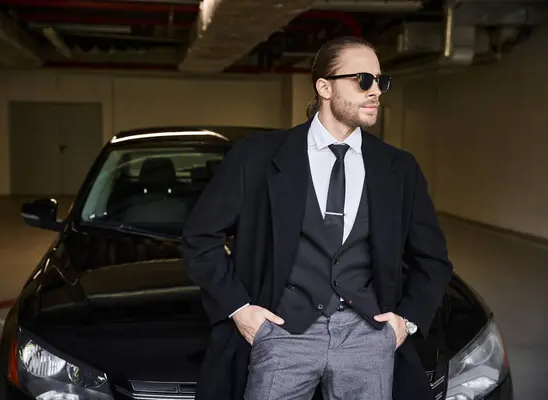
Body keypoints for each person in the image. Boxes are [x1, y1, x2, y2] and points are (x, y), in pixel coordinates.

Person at [181, 35, 453, 400]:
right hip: (282, 334)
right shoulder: (256, 157)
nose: (376, 92)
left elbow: (433, 259)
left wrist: (405, 323)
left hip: (368, 338)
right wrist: (240, 310)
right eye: (363, 80)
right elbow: (200, 238)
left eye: (380, 81)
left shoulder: (399, 168)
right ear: (324, 87)